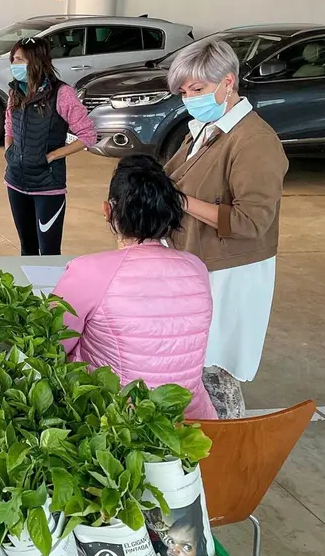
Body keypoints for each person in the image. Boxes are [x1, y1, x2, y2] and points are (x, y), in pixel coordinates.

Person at [164, 38, 289, 419]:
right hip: (197, 263)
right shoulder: (204, 128)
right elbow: (172, 178)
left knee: (215, 369)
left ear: (228, 83)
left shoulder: (254, 141)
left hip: (230, 272)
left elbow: (250, 221)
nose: (190, 99)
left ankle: (230, 450)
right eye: (184, 92)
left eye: (198, 89)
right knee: (191, 364)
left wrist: (181, 202)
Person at [54, 155, 217, 420]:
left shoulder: (89, 270)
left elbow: (53, 344)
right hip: (191, 425)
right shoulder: (196, 267)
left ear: (108, 210)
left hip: (117, 427)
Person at [4, 37, 96, 256]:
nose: (14, 65)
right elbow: (9, 123)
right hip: (16, 181)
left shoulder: (62, 94)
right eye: (13, 59)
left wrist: (53, 155)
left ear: (36, 61)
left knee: (49, 251)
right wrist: (8, 151)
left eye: (19, 60)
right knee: (27, 248)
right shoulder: (15, 91)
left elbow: (88, 135)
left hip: (48, 186)